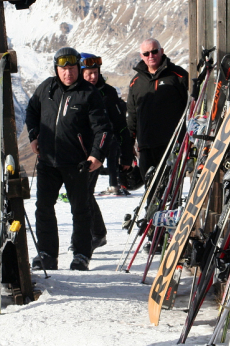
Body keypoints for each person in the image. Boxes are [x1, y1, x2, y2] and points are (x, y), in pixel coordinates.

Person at [25, 47, 112, 271]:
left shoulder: (88, 93)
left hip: (77, 163)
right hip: (47, 161)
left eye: (72, 68)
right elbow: (32, 110)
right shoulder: (47, 88)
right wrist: (34, 135)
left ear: (78, 69)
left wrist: (96, 155)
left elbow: (103, 129)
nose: (68, 73)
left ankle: (81, 255)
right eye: (63, 69)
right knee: (43, 208)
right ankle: (46, 254)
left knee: (81, 210)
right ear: (56, 69)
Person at [78, 53, 132, 251]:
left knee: (84, 193)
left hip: (100, 149)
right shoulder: (75, 91)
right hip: (79, 149)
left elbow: (121, 126)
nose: (92, 77)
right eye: (88, 73)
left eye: (95, 73)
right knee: (82, 194)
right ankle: (95, 234)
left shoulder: (107, 93)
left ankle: (95, 235)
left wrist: (126, 155)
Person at [127, 39, 189, 180]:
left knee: (171, 190)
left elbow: (191, 107)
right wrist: (129, 143)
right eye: (146, 53)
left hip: (172, 144)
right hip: (146, 146)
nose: (151, 55)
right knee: (151, 189)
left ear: (161, 51)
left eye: (154, 51)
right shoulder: (136, 82)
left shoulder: (178, 75)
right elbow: (132, 115)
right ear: (141, 56)